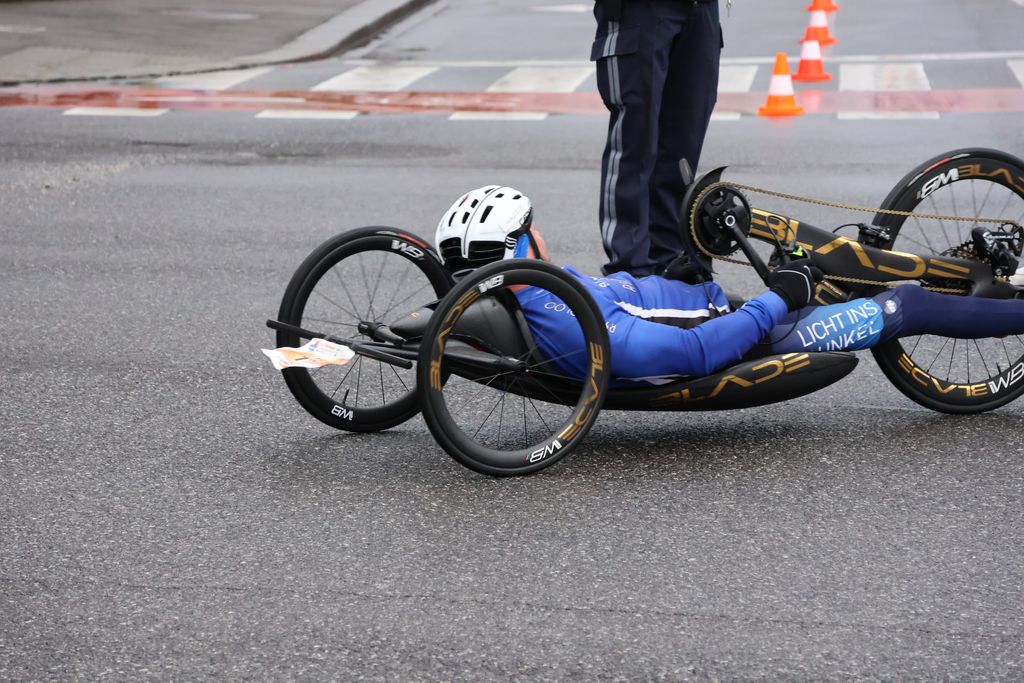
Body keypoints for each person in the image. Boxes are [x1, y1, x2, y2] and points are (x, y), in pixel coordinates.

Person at [436, 187, 1024, 383]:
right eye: (531, 228)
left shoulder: (543, 290)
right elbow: (693, 352)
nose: (541, 233)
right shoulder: (568, 323)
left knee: (844, 266)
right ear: (518, 245)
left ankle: (976, 269)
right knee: (905, 305)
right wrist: (780, 296)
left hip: (724, 309)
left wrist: (669, 277)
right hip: (755, 338)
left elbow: (630, 300)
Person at [592, 0, 722, 278]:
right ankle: (630, 271)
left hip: (701, 9)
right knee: (634, 142)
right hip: (640, 10)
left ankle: (669, 265)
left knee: (683, 147)